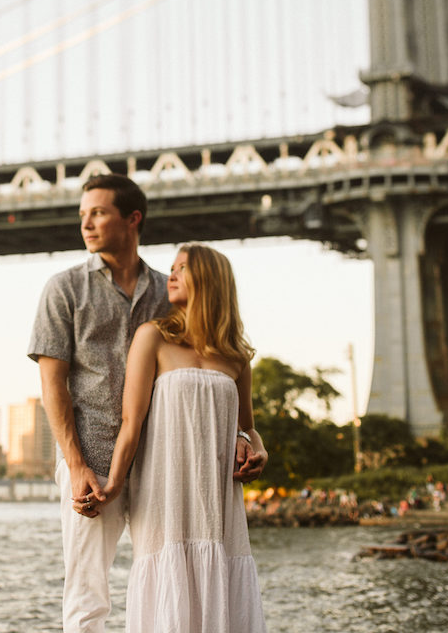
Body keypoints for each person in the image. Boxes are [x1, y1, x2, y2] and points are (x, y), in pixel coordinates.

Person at [28, 176, 265, 633]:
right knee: (88, 592)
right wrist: (75, 464)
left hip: (165, 469)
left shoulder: (167, 290)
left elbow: (211, 377)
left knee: (172, 576)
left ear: (132, 219)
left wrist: (245, 440)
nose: (87, 224)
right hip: (95, 459)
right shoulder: (65, 289)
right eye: (83, 215)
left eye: (98, 212)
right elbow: (53, 386)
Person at [96, 243, 268, 633]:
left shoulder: (237, 356)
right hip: (164, 495)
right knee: (167, 595)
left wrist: (260, 452)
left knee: (219, 587)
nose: (170, 274)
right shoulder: (152, 337)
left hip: (218, 499)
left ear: (210, 279)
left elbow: (248, 427)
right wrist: (114, 484)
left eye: (183, 268)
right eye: (171, 267)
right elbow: (131, 421)